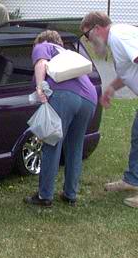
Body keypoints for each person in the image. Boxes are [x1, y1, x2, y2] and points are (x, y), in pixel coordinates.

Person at [25, 30, 97, 207]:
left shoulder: (44, 45)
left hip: (64, 96)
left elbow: (41, 63)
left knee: (52, 143)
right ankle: (70, 194)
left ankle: (44, 196)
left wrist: (40, 88)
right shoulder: (67, 53)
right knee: (75, 146)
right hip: (89, 99)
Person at [80, 11, 138, 207]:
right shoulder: (116, 39)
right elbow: (129, 71)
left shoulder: (119, 36)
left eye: (87, 35)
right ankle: (132, 180)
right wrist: (111, 88)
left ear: (97, 28)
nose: (88, 41)